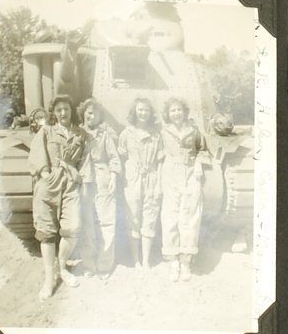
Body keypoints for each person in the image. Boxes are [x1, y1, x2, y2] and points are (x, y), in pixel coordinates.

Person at [28, 94, 84, 300]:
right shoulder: (46, 131)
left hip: (70, 183)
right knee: (46, 232)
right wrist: (46, 175)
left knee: (72, 227)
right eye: (59, 109)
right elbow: (37, 154)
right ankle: (49, 279)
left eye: (66, 109)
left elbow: (86, 159)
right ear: (54, 113)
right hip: (49, 183)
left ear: (71, 111)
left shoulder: (80, 134)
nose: (63, 113)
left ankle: (62, 268)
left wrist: (79, 177)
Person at [159, 96, 209, 282]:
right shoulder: (163, 132)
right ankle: (174, 262)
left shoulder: (194, 131)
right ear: (168, 114)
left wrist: (198, 163)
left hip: (190, 174)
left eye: (179, 110)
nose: (176, 113)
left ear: (184, 112)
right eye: (172, 110)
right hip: (170, 174)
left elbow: (202, 149)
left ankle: (186, 261)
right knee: (170, 217)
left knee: (189, 216)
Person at [76, 98, 122, 280]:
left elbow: (114, 158)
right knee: (86, 222)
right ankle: (89, 263)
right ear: (83, 114)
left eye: (95, 114)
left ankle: (104, 264)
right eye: (89, 113)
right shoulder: (77, 133)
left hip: (103, 178)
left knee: (106, 221)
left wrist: (113, 176)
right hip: (83, 179)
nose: (91, 116)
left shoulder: (105, 135)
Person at [118, 97, 164, 275]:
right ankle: (135, 259)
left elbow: (160, 161)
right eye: (140, 110)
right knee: (133, 218)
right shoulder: (126, 134)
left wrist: (158, 182)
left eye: (146, 110)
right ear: (134, 112)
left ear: (150, 113)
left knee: (149, 217)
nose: (143, 113)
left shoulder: (156, 135)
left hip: (151, 178)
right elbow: (122, 157)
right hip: (132, 180)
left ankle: (145, 260)